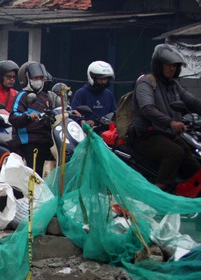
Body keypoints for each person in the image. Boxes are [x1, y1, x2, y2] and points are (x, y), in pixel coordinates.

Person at [127, 44, 201, 190]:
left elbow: (192, 102)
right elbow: (147, 108)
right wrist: (171, 123)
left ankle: (185, 194)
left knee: (193, 163)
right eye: (168, 65)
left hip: (166, 135)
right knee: (174, 152)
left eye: (175, 66)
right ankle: (159, 192)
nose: (172, 69)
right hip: (145, 136)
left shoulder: (173, 85)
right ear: (158, 65)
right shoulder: (146, 82)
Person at [9, 61, 55, 177]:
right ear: (27, 78)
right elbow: (14, 117)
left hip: (47, 140)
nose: (39, 80)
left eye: (41, 78)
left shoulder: (46, 97)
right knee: (34, 173)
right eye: (35, 78)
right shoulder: (22, 96)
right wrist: (28, 116)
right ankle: (30, 193)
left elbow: (55, 112)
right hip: (29, 141)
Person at [71, 61, 117, 125]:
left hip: (105, 132)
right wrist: (84, 122)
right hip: (86, 132)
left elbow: (114, 113)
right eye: (101, 78)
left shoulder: (109, 95)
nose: (104, 82)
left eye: (106, 79)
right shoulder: (81, 93)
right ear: (92, 77)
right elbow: (74, 113)